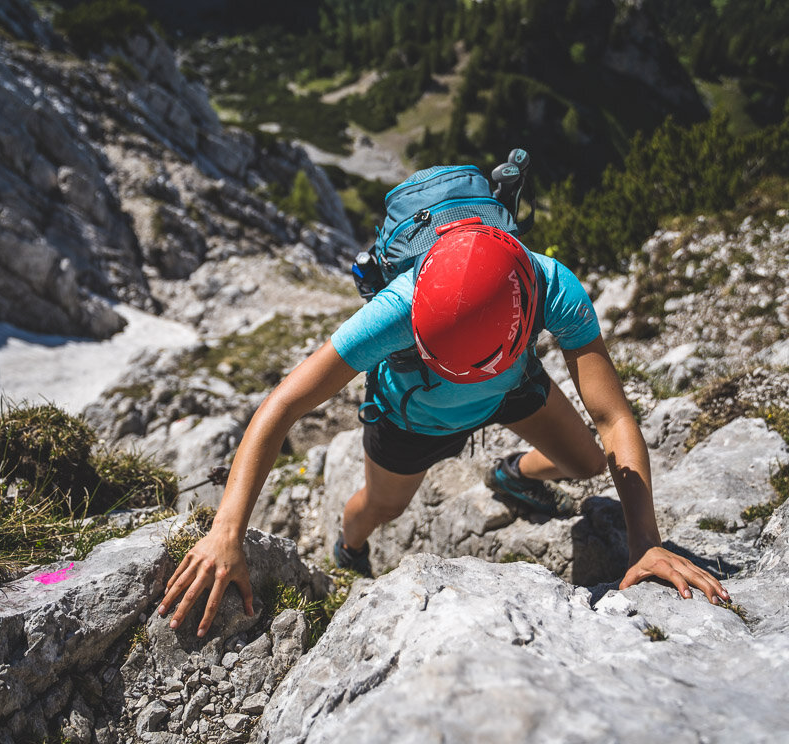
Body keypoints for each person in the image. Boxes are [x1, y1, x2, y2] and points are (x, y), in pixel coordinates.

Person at [159, 221, 729, 637]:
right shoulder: (396, 310)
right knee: (383, 508)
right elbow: (280, 406)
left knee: (584, 462)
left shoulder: (550, 285)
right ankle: (348, 545)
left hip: (508, 383)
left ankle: (510, 475)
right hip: (412, 417)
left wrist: (646, 544)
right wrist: (226, 530)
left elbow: (613, 417)